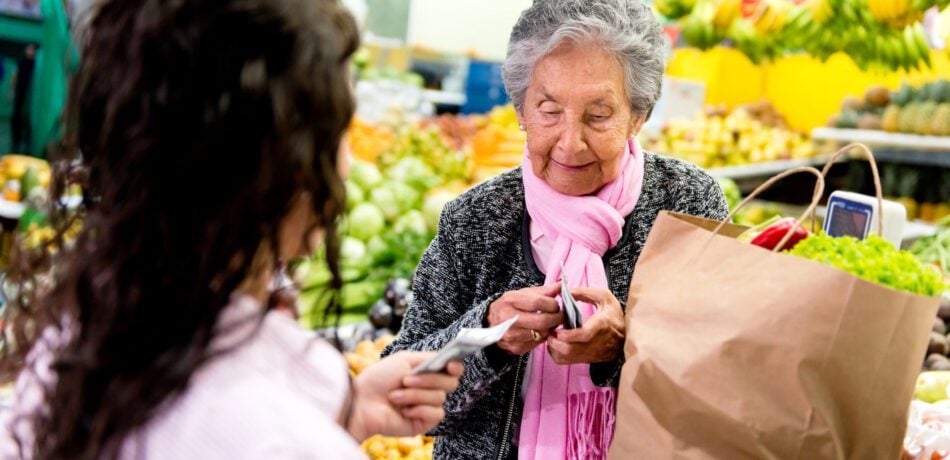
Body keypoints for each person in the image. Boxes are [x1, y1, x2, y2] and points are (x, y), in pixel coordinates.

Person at [0, 0, 461, 458]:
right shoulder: (288, 441)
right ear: (280, 168)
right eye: (342, 131)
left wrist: (353, 412)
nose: (350, 162)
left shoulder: (77, 337)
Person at [383, 0, 729, 458]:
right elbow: (403, 391)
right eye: (548, 109)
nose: (570, 142)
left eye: (599, 115)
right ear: (521, 109)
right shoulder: (475, 219)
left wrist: (623, 347)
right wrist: (488, 334)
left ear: (638, 116)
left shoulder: (688, 204)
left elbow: (720, 380)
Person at [10, 44, 35, 154]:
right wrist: (12, 90)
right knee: (17, 116)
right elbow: (15, 77)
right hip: (20, 94)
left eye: (32, 50)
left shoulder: (36, 65)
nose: (30, 52)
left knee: (28, 118)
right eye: (29, 49)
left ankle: (27, 141)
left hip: (31, 96)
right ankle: (16, 140)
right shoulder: (22, 62)